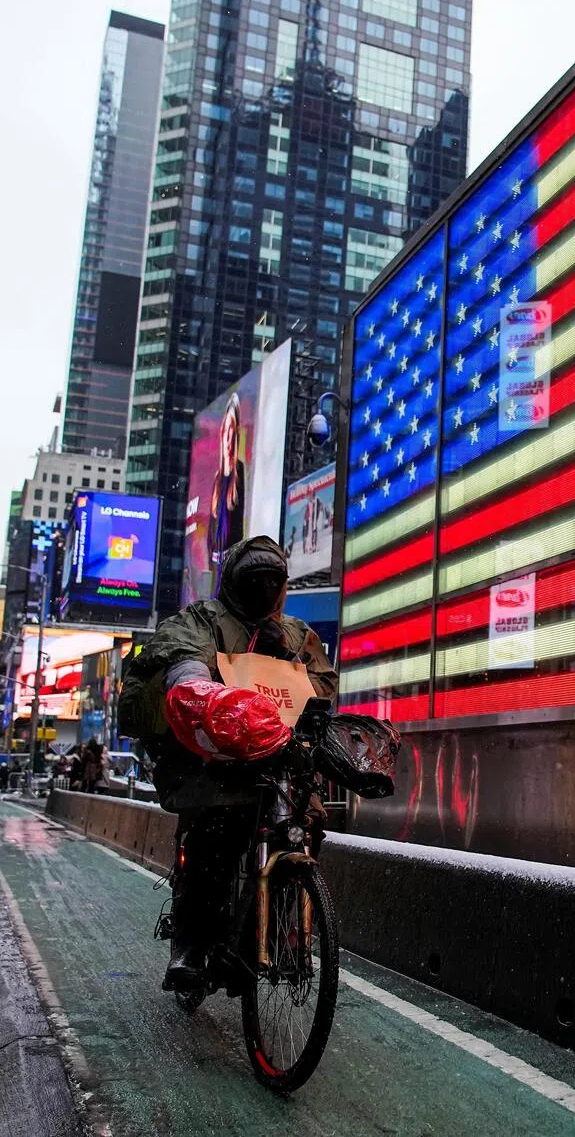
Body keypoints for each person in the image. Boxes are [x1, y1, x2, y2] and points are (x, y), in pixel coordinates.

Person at [119, 536, 337, 993]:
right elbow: (178, 655)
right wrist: (201, 689)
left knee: (304, 826)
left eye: (270, 581)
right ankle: (191, 945)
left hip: (279, 762)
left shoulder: (298, 634)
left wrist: (294, 677)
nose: (262, 588)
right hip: (215, 760)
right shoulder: (202, 619)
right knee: (212, 840)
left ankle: (283, 933)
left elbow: (322, 685)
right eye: (253, 579)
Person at [206, 393, 246, 598]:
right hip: (215, 566)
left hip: (231, 570)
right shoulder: (217, 479)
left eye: (233, 431)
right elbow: (210, 534)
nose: (229, 438)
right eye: (226, 431)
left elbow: (238, 528)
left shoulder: (239, 472)